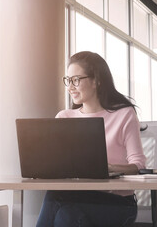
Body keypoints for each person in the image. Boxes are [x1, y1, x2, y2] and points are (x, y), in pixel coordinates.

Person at [36, 51, 146, 227]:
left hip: (116, 202)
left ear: (96, 81)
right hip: (74, 197)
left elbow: (139, 165)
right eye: (68, 80)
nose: (70, 86)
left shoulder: (124, 114)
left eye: (76, 80)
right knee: (62, 208)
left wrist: (109, 168)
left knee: (62, 208)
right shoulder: (64, 117)